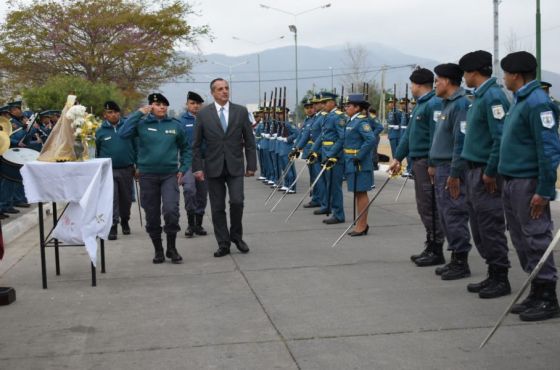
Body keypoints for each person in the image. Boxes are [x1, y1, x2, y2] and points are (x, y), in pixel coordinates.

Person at [498, 51, 560, 321]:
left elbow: (548, 149)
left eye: (505, 74)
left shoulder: (537, 103)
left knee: (536, 237)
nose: (503, 79)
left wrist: (544, 190)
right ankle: (536, 289)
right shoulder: (520, 101)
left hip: (528, 181)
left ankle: (548, 296)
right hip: (513, 180)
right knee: (521, 238)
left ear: (515, 75)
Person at [459, 50, 512, 299]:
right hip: (473, 171)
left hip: (484, 173)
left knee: (490, 224)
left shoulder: (492, 97)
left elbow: (500, 138)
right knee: (478, 225)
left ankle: (501, 277)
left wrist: (491, 171)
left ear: (474, 72)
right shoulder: (479, 97)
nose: (464, 78)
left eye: (465, 73)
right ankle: (492, 272)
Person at [119, 93, 191, 264]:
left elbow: (187, 148)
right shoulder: (141, 124)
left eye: (164, 105)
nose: (162, 107)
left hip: (169, 175)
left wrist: (183, 167)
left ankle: (171, 248)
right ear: (150, 106)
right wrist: (138, 113)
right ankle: (158, 250)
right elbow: (122, 134)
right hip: (147, 175)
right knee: (151, 214)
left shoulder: (175, 125)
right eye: (157, 104)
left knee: (171, 210)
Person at [192, 78, 257, 258]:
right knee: (217, 207)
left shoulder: (241, 112)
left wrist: (251, 165)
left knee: (237, 201)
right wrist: (197, 167)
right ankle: (223, 243)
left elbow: (250, 141)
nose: (224, 91)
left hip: (235, 166)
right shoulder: (203, 115)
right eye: (220, 89)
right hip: (213, 167)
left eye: (227, 88)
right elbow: (196, 145)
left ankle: (237, 236)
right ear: (213, 93)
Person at [389, 67, 445, 264]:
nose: (411, 87)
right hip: (417, 161)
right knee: (424, 206)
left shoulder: (434, 104)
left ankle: (437, 248)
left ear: (419, 84)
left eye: (412, 84)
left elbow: (436, 137)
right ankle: (430, 243)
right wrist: (397, 157)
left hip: (427, 163)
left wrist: (432, 162)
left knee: (430, 206)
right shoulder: (421, 105)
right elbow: (408, 136)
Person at [425, 63, 473, 279]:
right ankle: (455, 257)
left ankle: (461, 261)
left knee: (454, 214)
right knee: (446, 215)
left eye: (437, 80)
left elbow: (459, 142)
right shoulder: (447, 104)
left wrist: (454, 173)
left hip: (451, 169)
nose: (435, 84)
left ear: (447, 81)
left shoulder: (460, 104)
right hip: (442, 167)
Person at [95, 100, 137, 241]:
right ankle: (113, 225)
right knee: (112, 198)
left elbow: (136, 147)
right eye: (109, 112)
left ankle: (125, 219)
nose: (113, 115)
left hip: (127, 168)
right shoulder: (99, 131)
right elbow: (97, 152)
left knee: (126, 198)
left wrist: (137, 165)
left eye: (115, 112)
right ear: (105, 115)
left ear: (119, 113)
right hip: (109, 171)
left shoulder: (128, 127)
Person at [309, 92, 346, 224]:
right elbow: (323, 136)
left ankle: (339, 214)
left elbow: (342, 138)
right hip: (326, 153)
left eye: (325, 103)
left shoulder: (338, 117)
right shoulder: (327, 116)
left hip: (334, 157)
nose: (323, 105)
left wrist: (331, 154)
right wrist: (314, 150)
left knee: (335, 186)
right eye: (322, 103)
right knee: (328, 183)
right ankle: (328, 207)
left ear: (332, 102)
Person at [343, 93, 375, 235]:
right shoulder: (351, 121)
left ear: (356, 108)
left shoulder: (361, 122)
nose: (345, 108)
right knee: (357, 193)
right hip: (351, 161)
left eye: (348, 105)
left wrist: (359, 155)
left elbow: (371, 140)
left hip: (359, 163)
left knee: (361, 193)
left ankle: (362, 226)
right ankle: (361, 224)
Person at [179, 91, 209, 238]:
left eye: (198, 103)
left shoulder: (207, 119)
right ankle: (190, 224)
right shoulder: (181, 121)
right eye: (192, 103)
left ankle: (199, 224)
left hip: (205, 161)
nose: (195, 106)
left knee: (202, 194)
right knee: (189, 190)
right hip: (189, 162)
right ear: (187, 104)